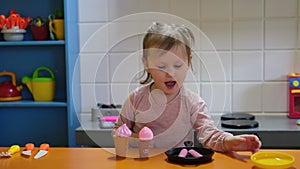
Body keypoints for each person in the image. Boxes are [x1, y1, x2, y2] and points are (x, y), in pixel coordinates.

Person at [113, 22, 261, 153]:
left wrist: (230, 142)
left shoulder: (192, 103)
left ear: (188, 62)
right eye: (161, 66)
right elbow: (118, 130)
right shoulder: (136, 99)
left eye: (177, 65)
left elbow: (209, 134)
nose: (170, 73)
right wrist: (135, 140)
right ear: (146, 64)